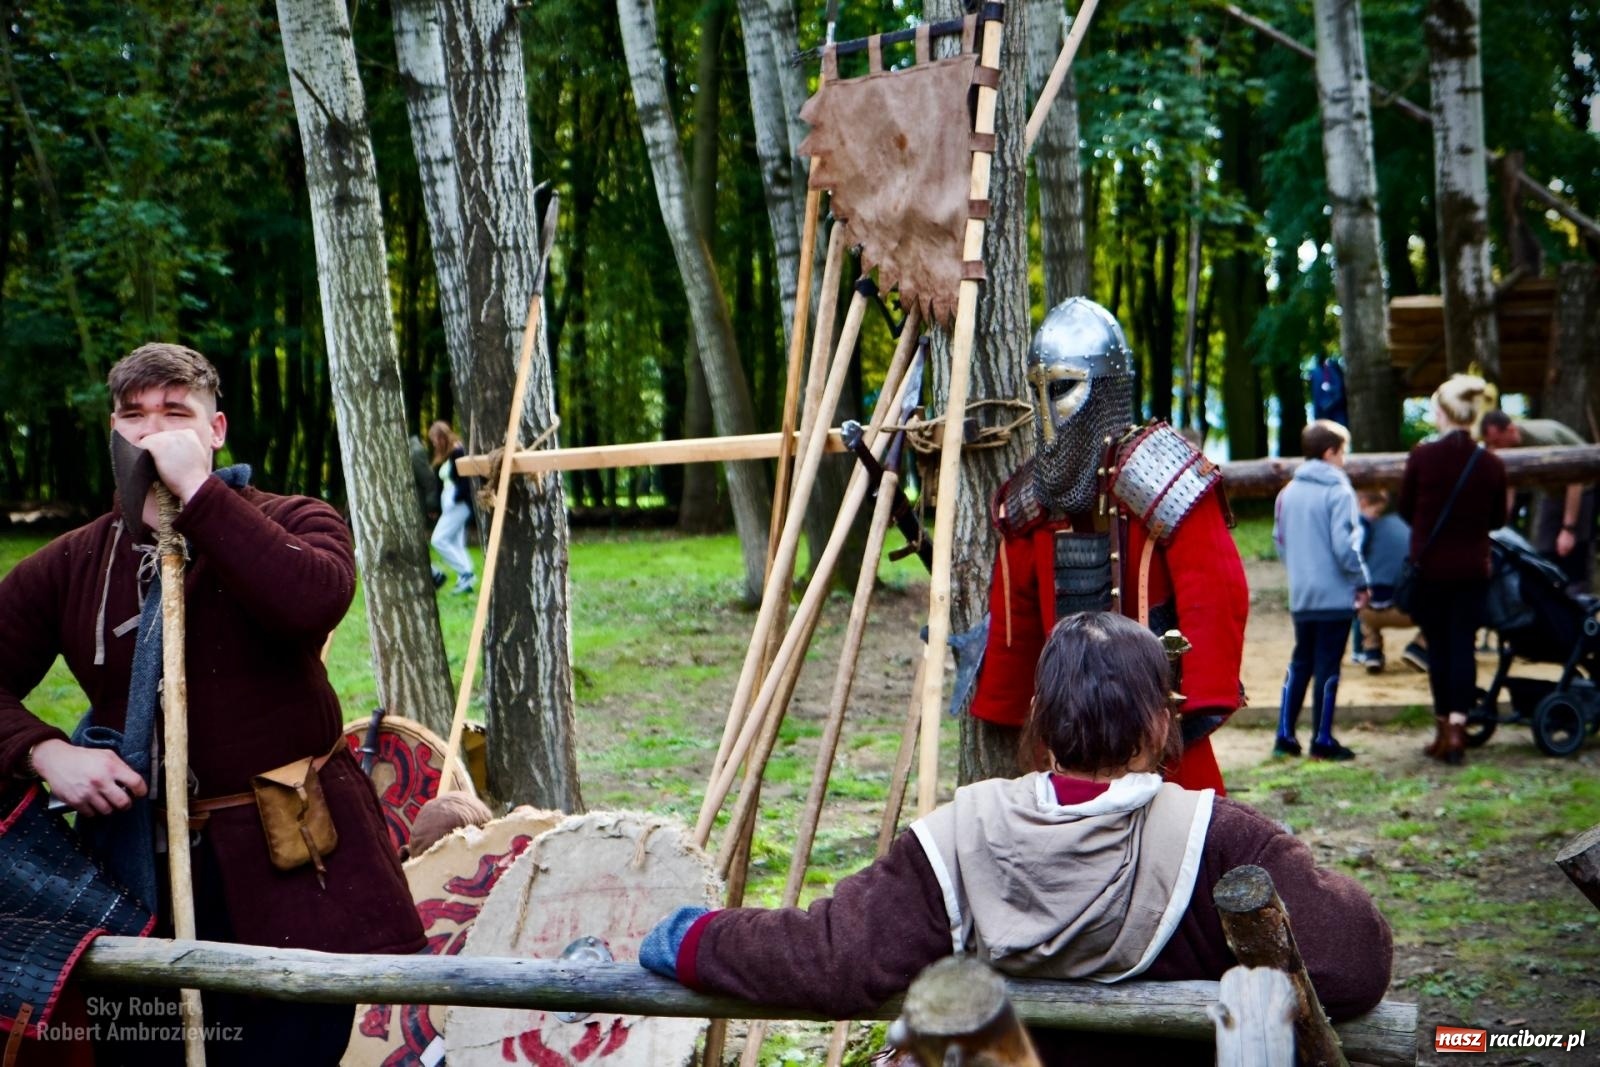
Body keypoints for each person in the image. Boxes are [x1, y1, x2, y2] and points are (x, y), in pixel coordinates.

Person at [639, 613, 1393, 1064]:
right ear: (1163, 721)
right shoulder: (1224, 840)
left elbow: (831, 956)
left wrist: (691, 937)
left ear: (1039, 714)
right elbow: (1351, 962)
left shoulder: (960, 833)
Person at [0, 343, 425, 1064]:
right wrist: (46, 751)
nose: (151, 432)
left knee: (289, 1050)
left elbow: (310, 601)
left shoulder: (296, 519)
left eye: (175, 412)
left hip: (292, 872)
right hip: (135, 880)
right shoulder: (75, 561)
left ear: (217, 428)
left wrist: (199, 495)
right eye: (133, 417)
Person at [969, 298, 1249, 794]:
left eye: (1063, 387)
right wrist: (1010, 707)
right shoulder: (1034, 496)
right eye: (1041, 391)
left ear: (1105, 389)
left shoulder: (1163, 476)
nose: (1050, 408)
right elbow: (1018, 617)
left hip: (1158, 724)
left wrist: (1189, 710)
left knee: (1182, 852)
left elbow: (1215, 591)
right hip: (1064, 730)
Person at [1399, 375, 1508, 765]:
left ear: (1442, 413)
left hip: (1429, 570)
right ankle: (1459, 728)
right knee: (1463, 646)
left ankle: (1443, 727)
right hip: (1472, 571)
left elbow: (1405, 509)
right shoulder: (1490, 463)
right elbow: (1498, 517)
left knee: (1438, 648)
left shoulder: (1422, 456)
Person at [1271, 420, 1369, 761]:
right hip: (1334, 593)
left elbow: (1280, 543)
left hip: (1302, 593)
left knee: (1301, 662)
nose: (1345, 459)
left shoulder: (1287, 493)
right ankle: (1322, 738)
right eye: (1343, 451)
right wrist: (1360, 580)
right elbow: (1346, 546)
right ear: (1330, 452)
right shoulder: (1339, 491)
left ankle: (1285, 734)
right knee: (1328, 666)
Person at [1478, 410, 1594, 595]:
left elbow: (1576, 479)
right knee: (1544, 550)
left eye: (1497, 442)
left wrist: (1569, 529)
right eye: (1490, 444)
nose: (1494, 448)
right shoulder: (1508, 447)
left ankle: (1579, 604)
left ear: (1511, 430)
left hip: (1582, 487)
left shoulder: (1543, 440)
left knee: (1573, 552)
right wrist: (1501, 526)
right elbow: (1510, 484)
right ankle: (1551, 603)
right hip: (1553, 492)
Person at [1354, 490, 1428, 674]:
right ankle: (1419, 647)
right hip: (1406, 612)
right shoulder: (1415, 529)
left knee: (1364, 596)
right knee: (1441, 607)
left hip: (1368, 612)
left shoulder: (1365, 529)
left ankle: (1372, 651)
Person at [428, 420, 476, 594]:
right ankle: (466, 579)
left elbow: (465, 482)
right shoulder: (448, 454)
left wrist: (454, 498)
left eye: (434, 438)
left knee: (439, 539)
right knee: (456, 542)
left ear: (441, 436)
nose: (433, 443)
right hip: (449, 503)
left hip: (459, 503)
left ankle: (465, 572)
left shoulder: (458, 451)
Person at [409, 434, 446, 588]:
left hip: (415, 506)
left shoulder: (415, 451)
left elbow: (428, 479)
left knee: (411, 543)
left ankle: (434, 574)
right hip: (411, 505)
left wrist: (432, 505)